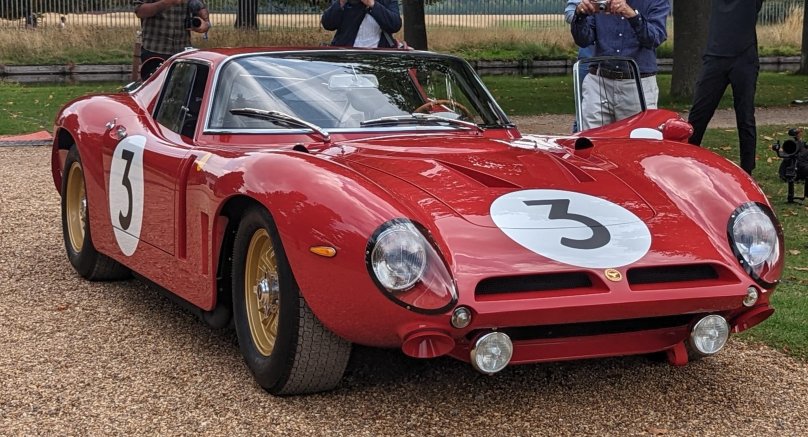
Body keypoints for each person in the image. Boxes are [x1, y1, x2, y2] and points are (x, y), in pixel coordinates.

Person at [687, 0, 764, 176]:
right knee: (698, 116)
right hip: (714, 58)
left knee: (745, 117)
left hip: (744, 60)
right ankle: (686, 163)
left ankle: (747, 172)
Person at [570, 0, 670, 130]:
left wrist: (632, 15)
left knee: (638, 139)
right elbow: (583, 40)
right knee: (591, 139)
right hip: (599, 81)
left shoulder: (655, 2)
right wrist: (580, 15)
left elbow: (655, 38)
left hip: (637, 84)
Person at [133, 0, 211, 78]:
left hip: (183, 52)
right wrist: (167, 2)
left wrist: (205, 25)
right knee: (154, 85)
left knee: (183, 85)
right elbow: (139, 11)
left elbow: (202, 9)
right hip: (155, 51)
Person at [564, 0, 594, 132]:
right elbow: (570, 14)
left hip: (621, 63)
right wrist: (586, 15)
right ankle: (577, 139)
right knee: (583, 112)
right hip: (588, 59)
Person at [321, 0, 402, 48]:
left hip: (378, 55)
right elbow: (328, 24)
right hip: (347, 54)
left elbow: (395, 25)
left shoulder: (386, 1)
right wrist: (341, 2)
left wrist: (372, 4)